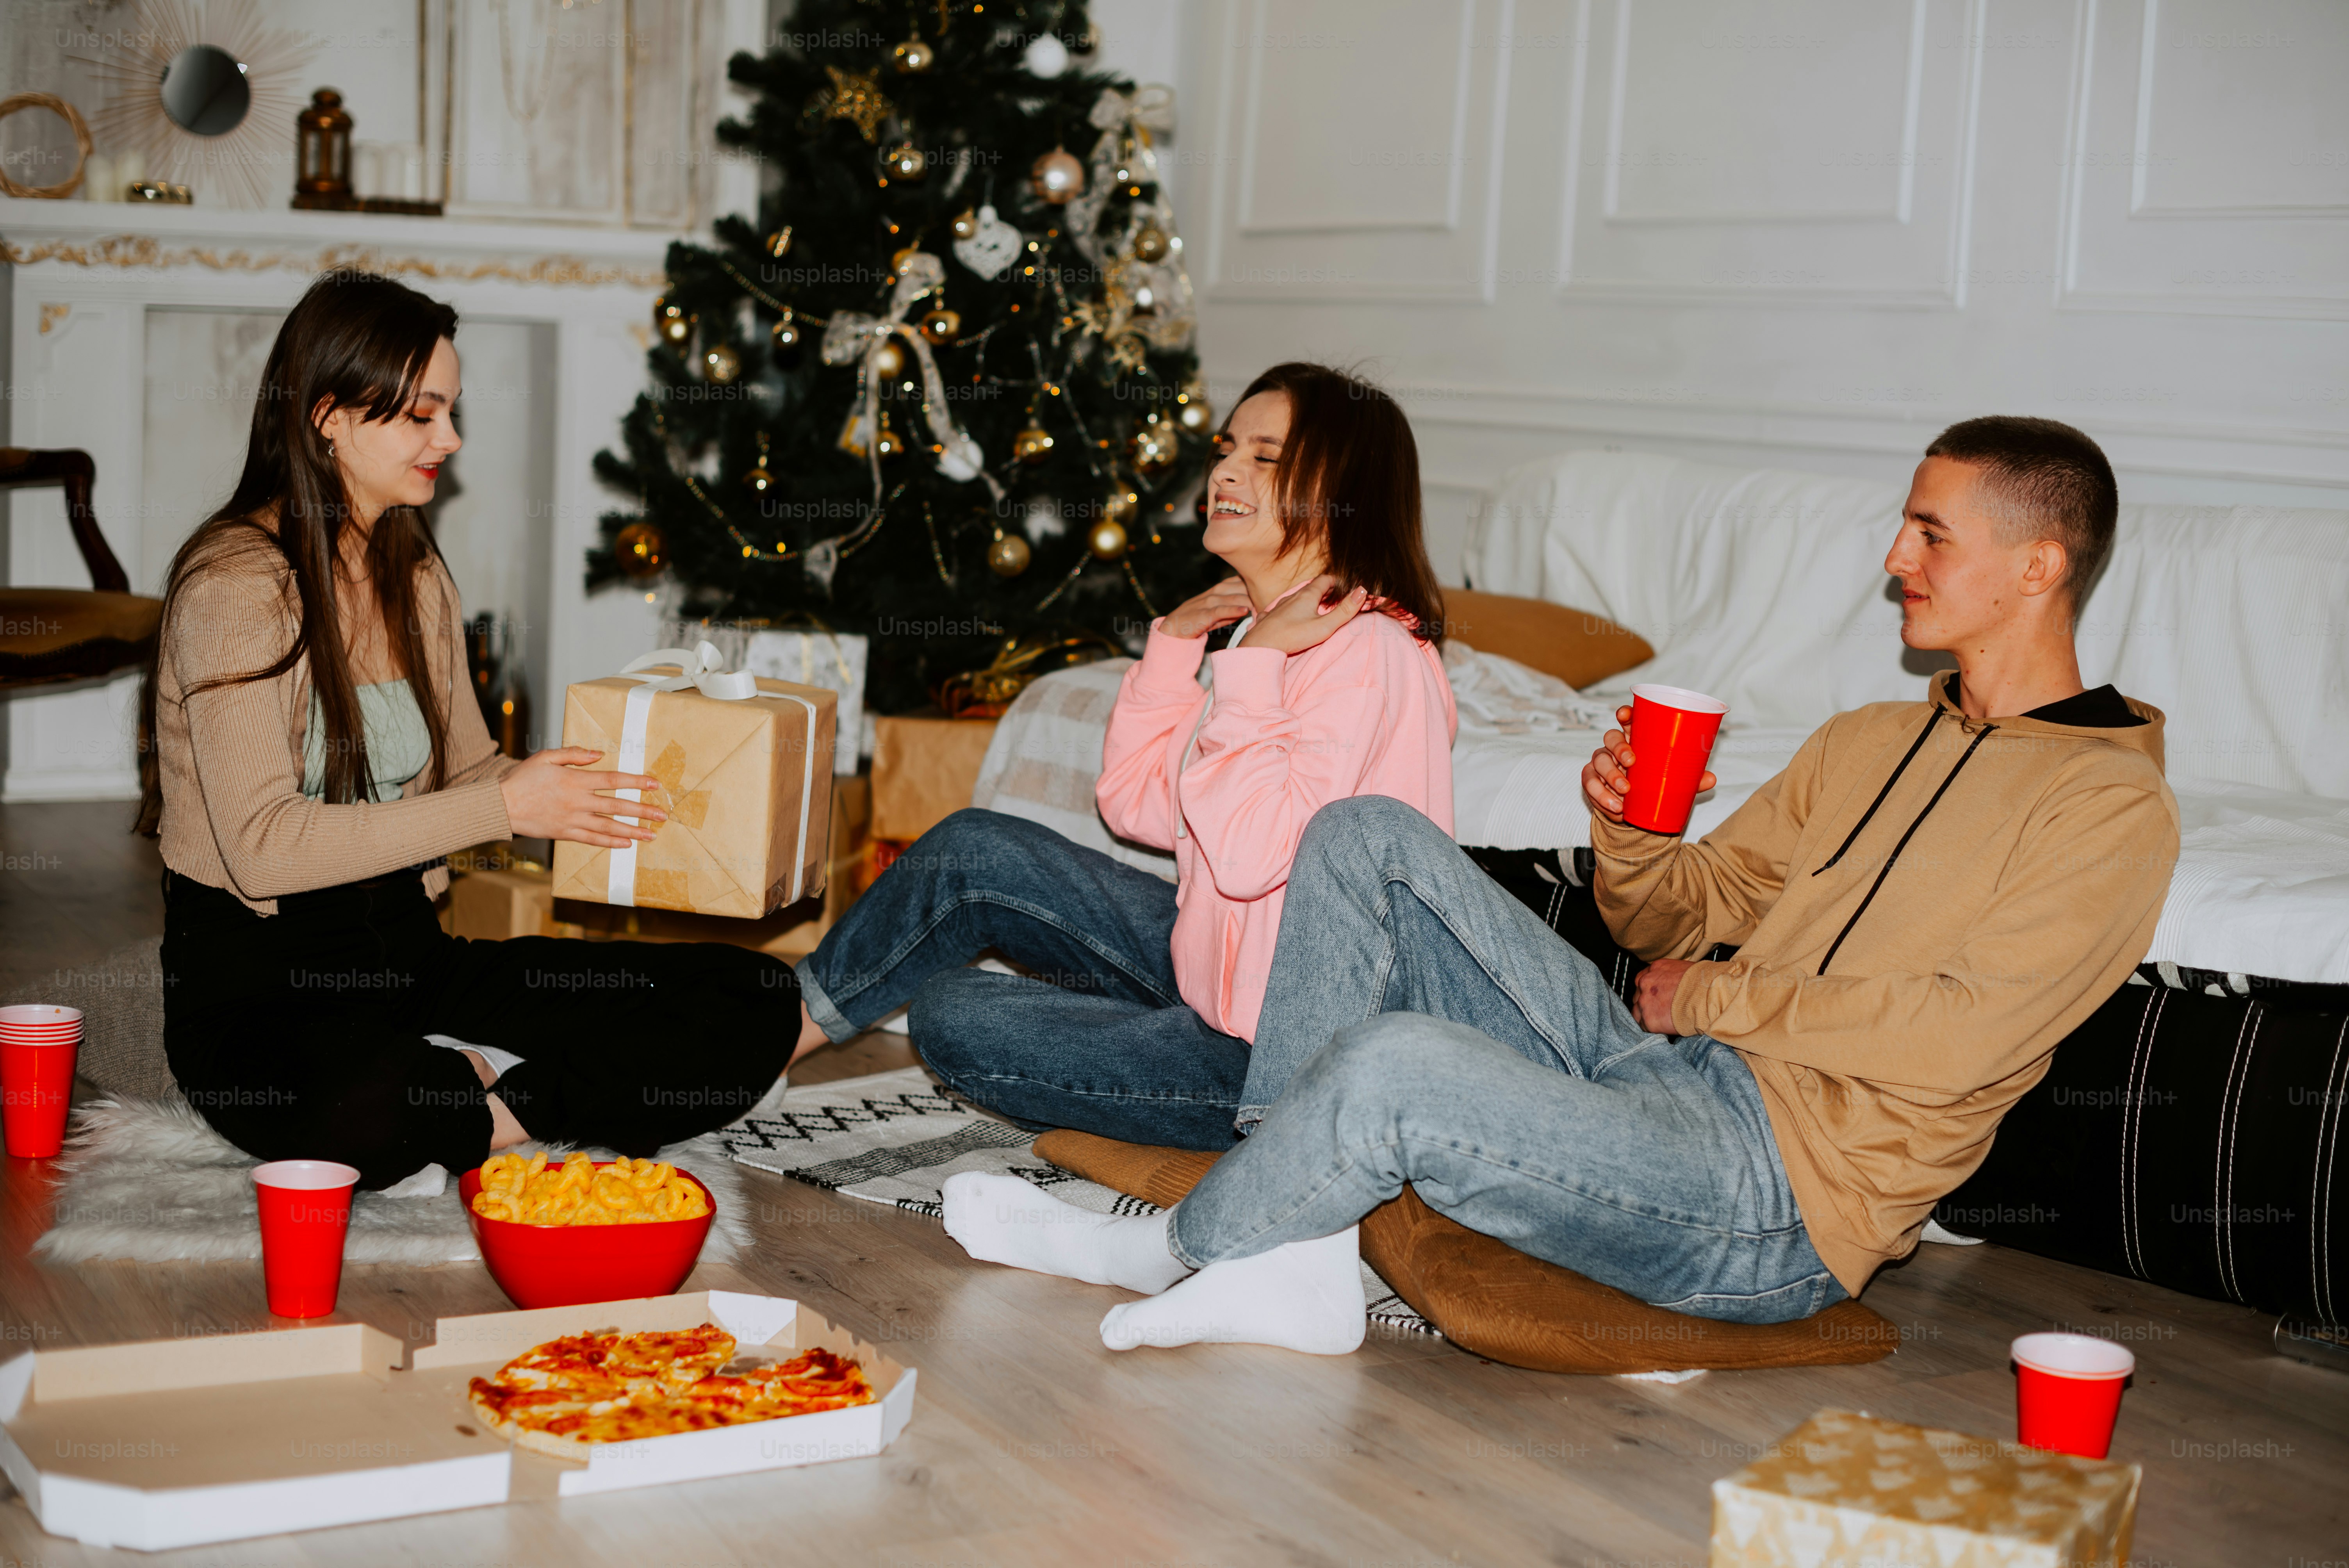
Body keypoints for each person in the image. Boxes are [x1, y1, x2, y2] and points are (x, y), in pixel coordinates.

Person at [939, 415, 2181, 1356]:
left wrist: (1714, 1005)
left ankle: (1180, 1252)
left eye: (1931, 534)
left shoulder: (2111, 810)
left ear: (2037, 569)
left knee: (1395, 1068)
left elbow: (1961, 1034)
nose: (1897, 557)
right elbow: (1668, 919)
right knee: (1364, 832)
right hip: (1660, 1078)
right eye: (1906, 525)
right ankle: (1300, 1250)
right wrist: (1628, 829)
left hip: (1779, 1197)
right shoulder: (1869, 737)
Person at [141, 269, 796, 1190]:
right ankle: (486, 1095)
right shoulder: (236, 589)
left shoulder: (414, 575)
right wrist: (503, 803)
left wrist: (599, 782)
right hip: (260, 986)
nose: (448, 439)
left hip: (409, 958)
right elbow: (261, 849)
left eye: (450, 412)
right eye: (421, 415)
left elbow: (474, 771)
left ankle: (496, 1105)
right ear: (328, 415)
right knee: (372, 1106)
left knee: (751, 993)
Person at [786, 363, 1456, 1146]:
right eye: (1226, 447)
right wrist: (1173, 650)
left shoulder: (1366, 653)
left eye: (1266, 457)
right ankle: (773, 1037)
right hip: (1210, 980)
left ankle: (1250, 1150)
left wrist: (1249, 669)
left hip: (1285, 1064)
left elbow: (1248, 857)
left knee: (953, 1017)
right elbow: (1135, 804)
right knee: (973, 849)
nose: (1225, 471)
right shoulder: (1271, 636)